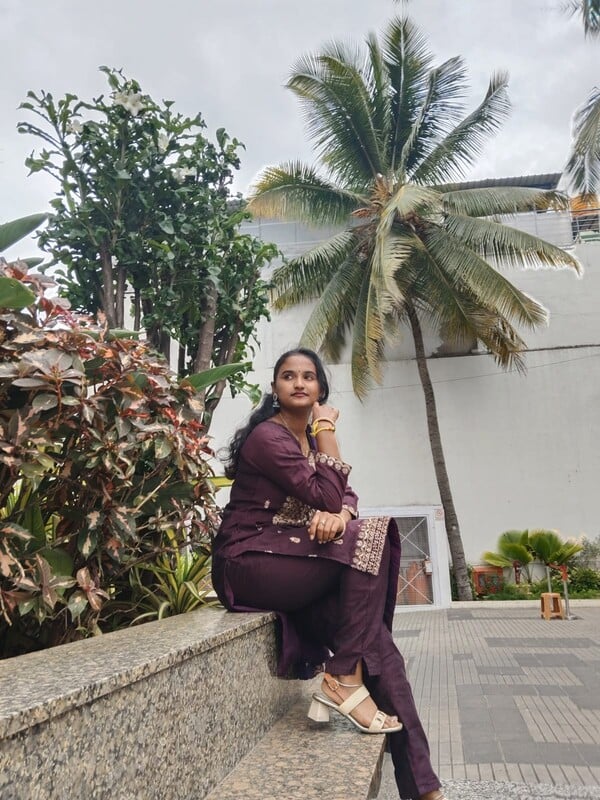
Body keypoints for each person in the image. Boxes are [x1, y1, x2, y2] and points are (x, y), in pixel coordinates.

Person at [211, 347, 447, 800]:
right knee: (373, 534)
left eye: (308, 376)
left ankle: (424, 789)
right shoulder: (268, 437)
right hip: (247, 563)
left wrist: (338, 517)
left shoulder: (310, 442)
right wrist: (326, 431)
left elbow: (345, 497)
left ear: (320, 387)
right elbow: (327, 493)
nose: (299, 383)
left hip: (295, 563)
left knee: (382, 652)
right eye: (288, 376)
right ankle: (342, 675)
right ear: (275, 388)